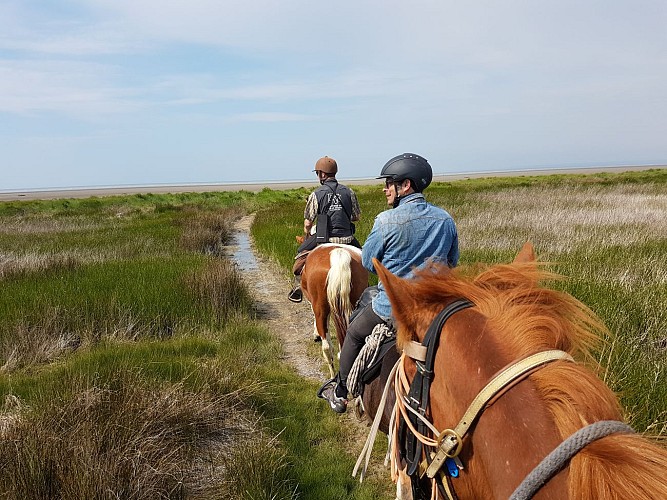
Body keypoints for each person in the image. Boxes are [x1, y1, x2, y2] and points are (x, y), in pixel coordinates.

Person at [317, 153, 459, 412]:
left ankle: (341, 391)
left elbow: (370, 263)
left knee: (354, 334)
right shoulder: (445, 219)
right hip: (434, 309)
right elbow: (452, 263)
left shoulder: (385, 220)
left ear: (406, 186)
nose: (385, 189)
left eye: (389, 183)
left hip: (392, 308)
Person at [288, 156, 361, 303]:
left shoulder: (316, 194)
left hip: (324, 238)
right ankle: (366, 288)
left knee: (300, 257)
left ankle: (298, 288)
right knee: (365, 260)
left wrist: (307, 232)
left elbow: (308, 222)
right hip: (347, 238)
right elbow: (356, 217)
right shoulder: (349, 192)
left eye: (318, 173)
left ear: (322, 174)